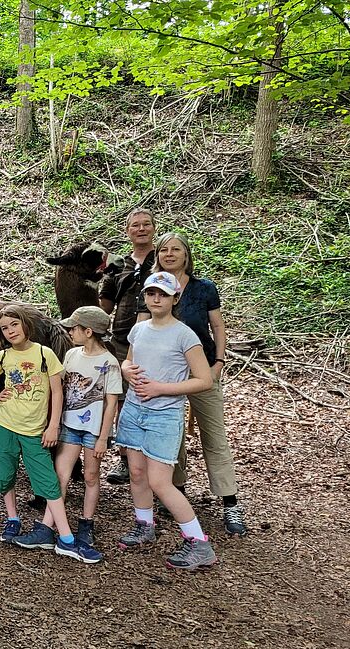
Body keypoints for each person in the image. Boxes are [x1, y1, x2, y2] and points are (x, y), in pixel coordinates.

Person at [0, 305, 102, 563]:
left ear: (25, 325)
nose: (10, 330)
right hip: (5, 425)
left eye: (14, 324)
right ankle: (13, 519)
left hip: (35, 430)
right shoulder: (3, 356)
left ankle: (66, 538)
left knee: (48, 481)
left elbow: (57, 392)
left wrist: (53, 425)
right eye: (4, 328)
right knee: (5, 474)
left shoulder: (45, 354)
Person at [117, 271, 217, 570]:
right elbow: (129, 360)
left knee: (160, 481)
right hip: (134, 409)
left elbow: (204, 380)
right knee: (136, 472)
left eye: (162, 294)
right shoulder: (139, 330)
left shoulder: (184, 335)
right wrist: (125, 369)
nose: (156, 298)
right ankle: (144, 524)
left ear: (175, 299)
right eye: (151, 293)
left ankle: (199, 543)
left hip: (164, 414)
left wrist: (161, 388)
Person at [150, 232, 247, 536]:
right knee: (170, 434)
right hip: (167, 373)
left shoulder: (204, 288)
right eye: (164, 249)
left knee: (213, 434)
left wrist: (218, 362)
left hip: (202, 369)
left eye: (176, 249)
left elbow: (217, 326)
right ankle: (174, 490)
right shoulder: (154, 287)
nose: (170, 253)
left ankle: (230, 501)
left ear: (186, 255)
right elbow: (144, 328)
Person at [55, 306, 122, 551]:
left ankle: (86, 523)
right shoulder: (72, 355)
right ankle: (55, 523)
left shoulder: (109, 362)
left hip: (93, 430)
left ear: (89, 331)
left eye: (74, 328)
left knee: (91, 477)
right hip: (69, 425)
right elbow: (60, 387)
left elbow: (111, 402)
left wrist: (104, 437)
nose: (70, 332)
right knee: (60, 474)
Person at [99, 207, 156, 485]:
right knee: (122, 403)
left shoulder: (165, 258)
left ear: (154, 228)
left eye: (146, 224)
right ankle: (125, 459)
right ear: (127, 230)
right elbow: (105, 306)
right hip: (122, 341)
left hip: (158, 343)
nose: (141, 229)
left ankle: (156, 461)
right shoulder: (118, 265)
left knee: (154, 400)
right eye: (136, 225)